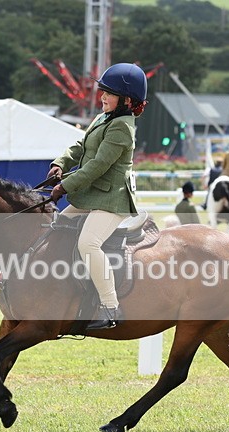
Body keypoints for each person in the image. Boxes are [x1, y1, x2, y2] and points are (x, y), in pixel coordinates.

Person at [47, 62, 147, 330]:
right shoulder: (103, 118)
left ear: (126, 101)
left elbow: (97, 166)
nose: (102, 97)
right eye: (102, 91)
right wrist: (61, 163)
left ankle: (111, 307)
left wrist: (64, 187)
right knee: (55, 228)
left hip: (112, 198)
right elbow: (81, 147)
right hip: (92, 195)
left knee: (88, 244)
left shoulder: (122, 127)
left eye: (109, 93)